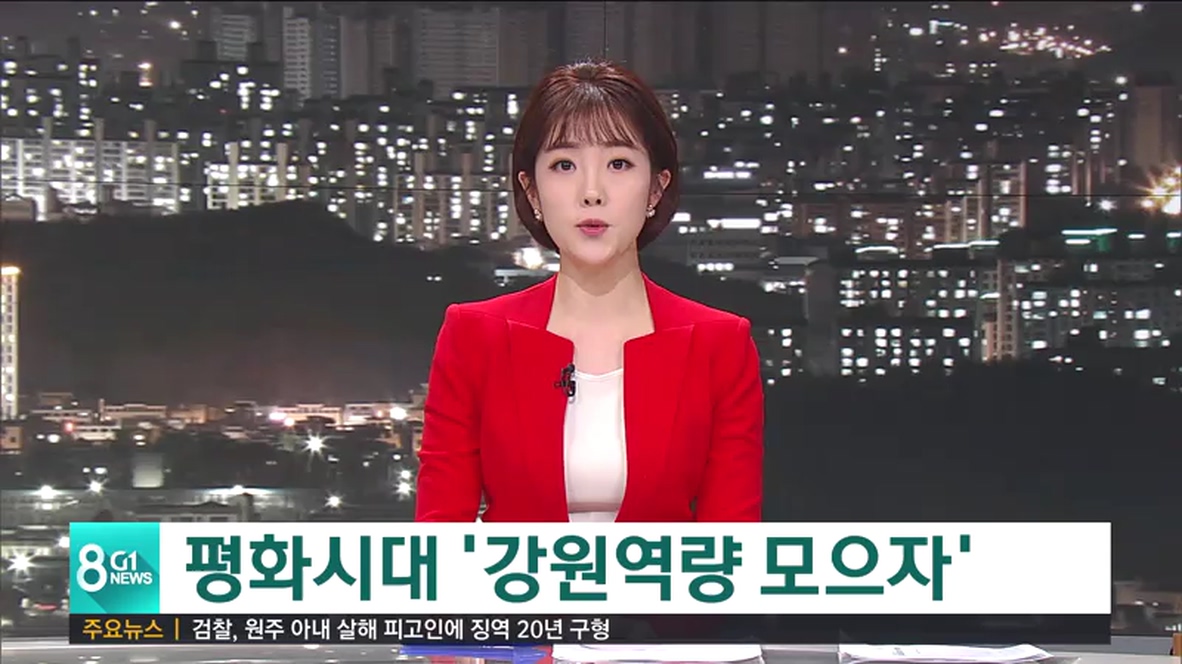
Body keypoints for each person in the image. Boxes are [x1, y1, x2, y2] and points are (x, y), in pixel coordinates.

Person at [415, 57, 765, 664]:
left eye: (620, 163)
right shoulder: (475, 336)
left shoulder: (719, 344)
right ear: (531, 190)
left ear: (656, 188)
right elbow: (440, 543)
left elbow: (729, 552)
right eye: (564, 165)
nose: (591, 191)